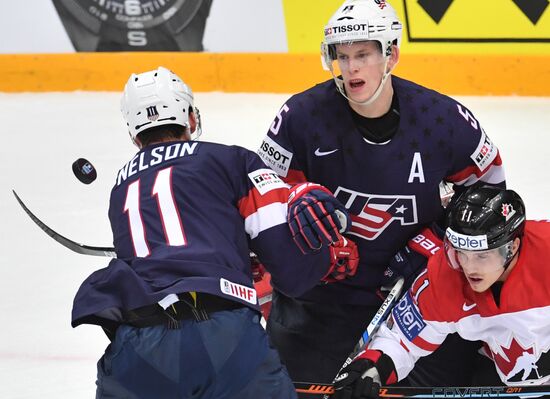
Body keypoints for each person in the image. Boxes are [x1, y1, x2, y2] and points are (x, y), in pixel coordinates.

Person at [256, 0, 506, 393]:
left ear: (391, 54)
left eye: (363, 54)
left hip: (416, 296)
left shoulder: (443, 120)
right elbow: (260, 193)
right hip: (319, 298)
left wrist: (439, 242)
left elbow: (490, 193)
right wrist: (294, 197)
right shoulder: (301, 116)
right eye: (342, 56)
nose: (351, 68)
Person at [70, 66, 359, 399]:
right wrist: (323, 257)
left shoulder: (120, 187)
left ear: (135, 135)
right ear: (191, 118)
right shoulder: (229, 161)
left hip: (136, 351)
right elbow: (292, 272)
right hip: (223, 340)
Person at [332, 185, 550, 398]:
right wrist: (372, 368)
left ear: (511, 248)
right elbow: (401, 340)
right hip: (503, 371)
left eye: (482, 256)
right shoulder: (444, 278)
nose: (469, 267)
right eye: (461, 252)